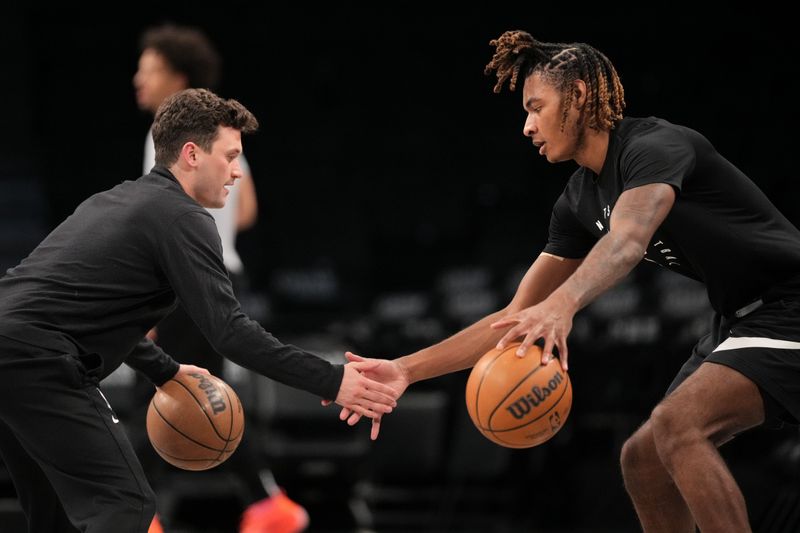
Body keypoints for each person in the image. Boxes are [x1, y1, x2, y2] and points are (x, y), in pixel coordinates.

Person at [332, 30, 800, 532]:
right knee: (641, 460)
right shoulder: (577, 200)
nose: (528, 127)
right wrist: (405, 370)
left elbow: (627, 242)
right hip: (737, 318)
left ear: (577, 95)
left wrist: (563, 305)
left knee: (677, 427)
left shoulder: (655, 146)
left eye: (536, 107)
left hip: (789, 304)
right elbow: (509, 319)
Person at [0, 87, 397, 533]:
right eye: (230, 157)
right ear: (191, 154)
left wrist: (166, 370)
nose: (236, 173)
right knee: (126, 505)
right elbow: (229, 331)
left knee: (55, 515)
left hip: (12, 347)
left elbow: (83, 312)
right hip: (39, 358)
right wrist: (332, 379)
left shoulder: (111, 201)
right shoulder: (183, 218)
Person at [132, 23, 300, 533]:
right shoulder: (216, 129)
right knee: (201, 394)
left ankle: (140, 515)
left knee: (163, 394)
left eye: (149, 69)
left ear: (176, 75)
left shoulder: (169, 134)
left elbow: (157, 222)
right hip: (221, 272)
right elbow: (245, 209)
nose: (138, 79)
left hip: (185, 280)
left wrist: (146, 299)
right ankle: (267, 502)